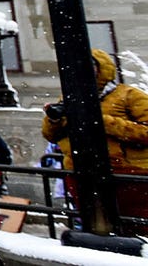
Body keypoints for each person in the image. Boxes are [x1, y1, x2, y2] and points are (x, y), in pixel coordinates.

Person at [43, 48, 148, 227]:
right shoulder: (68, 98)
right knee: (95, 224)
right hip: (82, 173)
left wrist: (100, 120)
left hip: (127, 173)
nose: (80, 71)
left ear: (102, 68)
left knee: (135, 225)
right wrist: (53, 120)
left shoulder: (129, 95)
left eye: (88, 65)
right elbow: (50, 136)